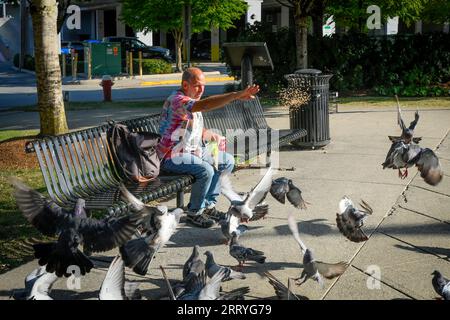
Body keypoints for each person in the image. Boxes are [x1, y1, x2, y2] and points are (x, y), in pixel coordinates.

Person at [157, 67, 260, 228]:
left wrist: (212, 135)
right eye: (197, 85)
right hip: (171, 156)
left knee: (226, 161)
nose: (201, 89)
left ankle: (208, 205)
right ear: (185, 84)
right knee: (206, 170)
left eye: (203, 85)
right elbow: (206, 105)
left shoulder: (191, 102)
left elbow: (194, 128)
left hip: (193, 151)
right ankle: (194, 213)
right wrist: (236, 95)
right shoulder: (178, 100)